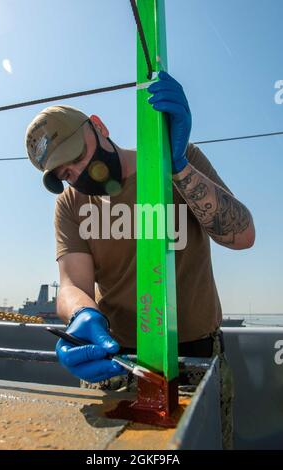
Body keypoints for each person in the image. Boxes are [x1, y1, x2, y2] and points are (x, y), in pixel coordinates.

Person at [25, 71, 255, 449]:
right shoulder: (70, 204)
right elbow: (72, 285)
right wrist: (83, 316)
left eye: (79, 156)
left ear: (99, 127)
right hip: (115, 361)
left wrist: (177, 165)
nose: (80, 174)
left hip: (194, 354)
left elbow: (242, 237)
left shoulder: (178, 160)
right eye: (66, 173)